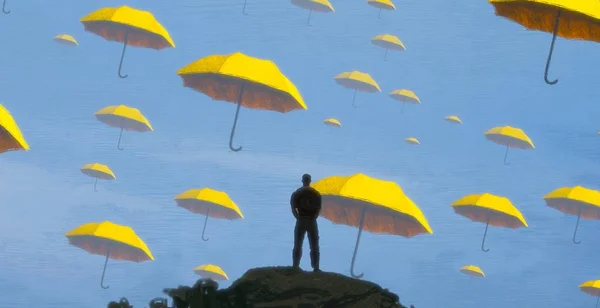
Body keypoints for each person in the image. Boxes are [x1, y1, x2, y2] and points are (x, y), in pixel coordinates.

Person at [290, 173, 322, 272]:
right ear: (310, 181)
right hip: (312, 221)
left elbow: (293, 208)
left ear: (302, 181)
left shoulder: (297, 193)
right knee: (314, 245)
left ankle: (295, 265)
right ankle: (315, 267)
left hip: (301, 220)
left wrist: (298, 217)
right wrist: (313, 218)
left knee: (298, 244)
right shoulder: (316, 193)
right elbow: (318, 209)